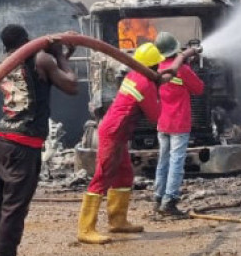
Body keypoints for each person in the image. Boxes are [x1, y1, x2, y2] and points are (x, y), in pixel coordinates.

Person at [0, 25, 79, 256]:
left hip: (1, 141)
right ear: (27, 40)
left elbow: (40, 80)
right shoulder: (41, 59)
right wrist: (59, 55)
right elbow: (71, 85)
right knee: (14, 210)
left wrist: (59, 57)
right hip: (23, 145)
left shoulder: (6, 63)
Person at [77, 41, 187, 243]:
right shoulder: (145, 83)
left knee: (124, 175)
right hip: (113, 133)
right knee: (103, 176)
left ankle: (118, 221)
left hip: (118, 132)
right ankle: (86, 229)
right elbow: (155, 115)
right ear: (153, 66)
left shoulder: (135, 75)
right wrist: (159, 90)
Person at [152, 32, 204, 216]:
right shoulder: (182, 70)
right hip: (179, 123)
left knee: (163, 161)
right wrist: (189, 65)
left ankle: (158, 198)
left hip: (162, 122)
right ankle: (170, 201)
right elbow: (199, 88)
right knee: (176, 162)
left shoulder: (160, 67)